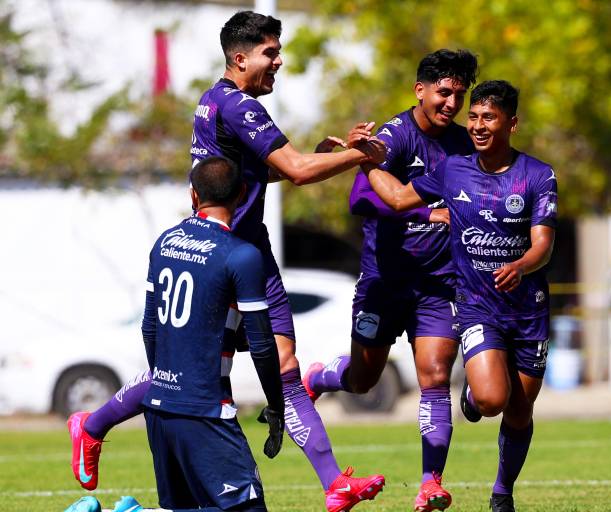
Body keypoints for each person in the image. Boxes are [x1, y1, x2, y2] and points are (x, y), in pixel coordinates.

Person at [67, 11, 387, 512]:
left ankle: (333, 483)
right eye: (270, 53)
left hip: (250, 249)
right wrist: (362, 156)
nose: (278, 62)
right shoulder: (238, 105)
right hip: (219, 255)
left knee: (284, 364)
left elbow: (269, 172)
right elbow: (298, 170)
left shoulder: (219, 102)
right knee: (186, 371)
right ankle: (92, 423)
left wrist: (326, 155)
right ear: (239, 58)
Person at [360, 80, 557, 512]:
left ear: (511, 124)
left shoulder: (538, 175)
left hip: (528, 311)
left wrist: (521, 265)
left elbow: (543, 245)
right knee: (491, 400)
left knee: (520, 411)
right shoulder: (453, 169)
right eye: (474, 117)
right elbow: (399, 198)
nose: (478, 126)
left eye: (489, 118)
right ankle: (473, 393)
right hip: (476, 307)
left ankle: (502, 492)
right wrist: (367, 162)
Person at [302, 49, 477, 512]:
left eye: (459, 95)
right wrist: (426, 212)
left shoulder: (464, 144)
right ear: (420, 90)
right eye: (444, 92)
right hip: (384, 281)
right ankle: (320, 376)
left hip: (438, 284)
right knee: (363, 381)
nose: (451, 103)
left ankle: (430, 483)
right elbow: (360, 201)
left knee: (435, 375)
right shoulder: (393, 138)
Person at [66, 156, 284, 511]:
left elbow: (149, 326)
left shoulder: (165, 242)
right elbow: (262, 344)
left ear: (193, 195)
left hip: (160, 408)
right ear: (242, 193)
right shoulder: (242, 255)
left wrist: (164, 385)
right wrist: (276, 405)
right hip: (205, 411)